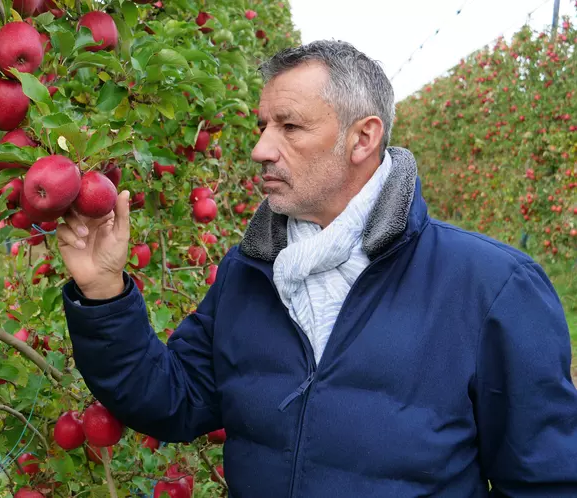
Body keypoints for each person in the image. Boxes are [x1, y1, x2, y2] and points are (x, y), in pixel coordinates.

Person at [58, 40, 577, 497]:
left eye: (290, 126)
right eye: (263, 125)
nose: (261, 148)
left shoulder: (491, 287)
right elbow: (171, 401)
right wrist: (103, 292)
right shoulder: (250, 271)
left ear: (362, 139)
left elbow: (545, 480)